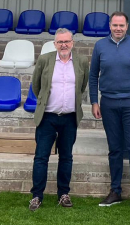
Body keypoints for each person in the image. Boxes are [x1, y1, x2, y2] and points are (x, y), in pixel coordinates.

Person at [89, 11, 130, 215]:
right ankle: (115, 191)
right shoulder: (100, 46)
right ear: (110, 25)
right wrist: (94, 101)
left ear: (127, 26)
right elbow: (93, 76)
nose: (118, 29)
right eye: (115, 25)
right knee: (115, 149)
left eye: (122, 25)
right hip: (108, 103)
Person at [28, 28, 89, 211]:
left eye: (67, 41)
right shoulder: (44, 60)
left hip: (69, 118)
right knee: (41, 158)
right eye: (60, 42)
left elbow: (82, 86)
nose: (64, 45)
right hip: (47, 118)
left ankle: (63, 194)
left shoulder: (81, 61)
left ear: (73, 43)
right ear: (55, 44)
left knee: (66, 157)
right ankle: (37, 196)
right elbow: (37, 86)